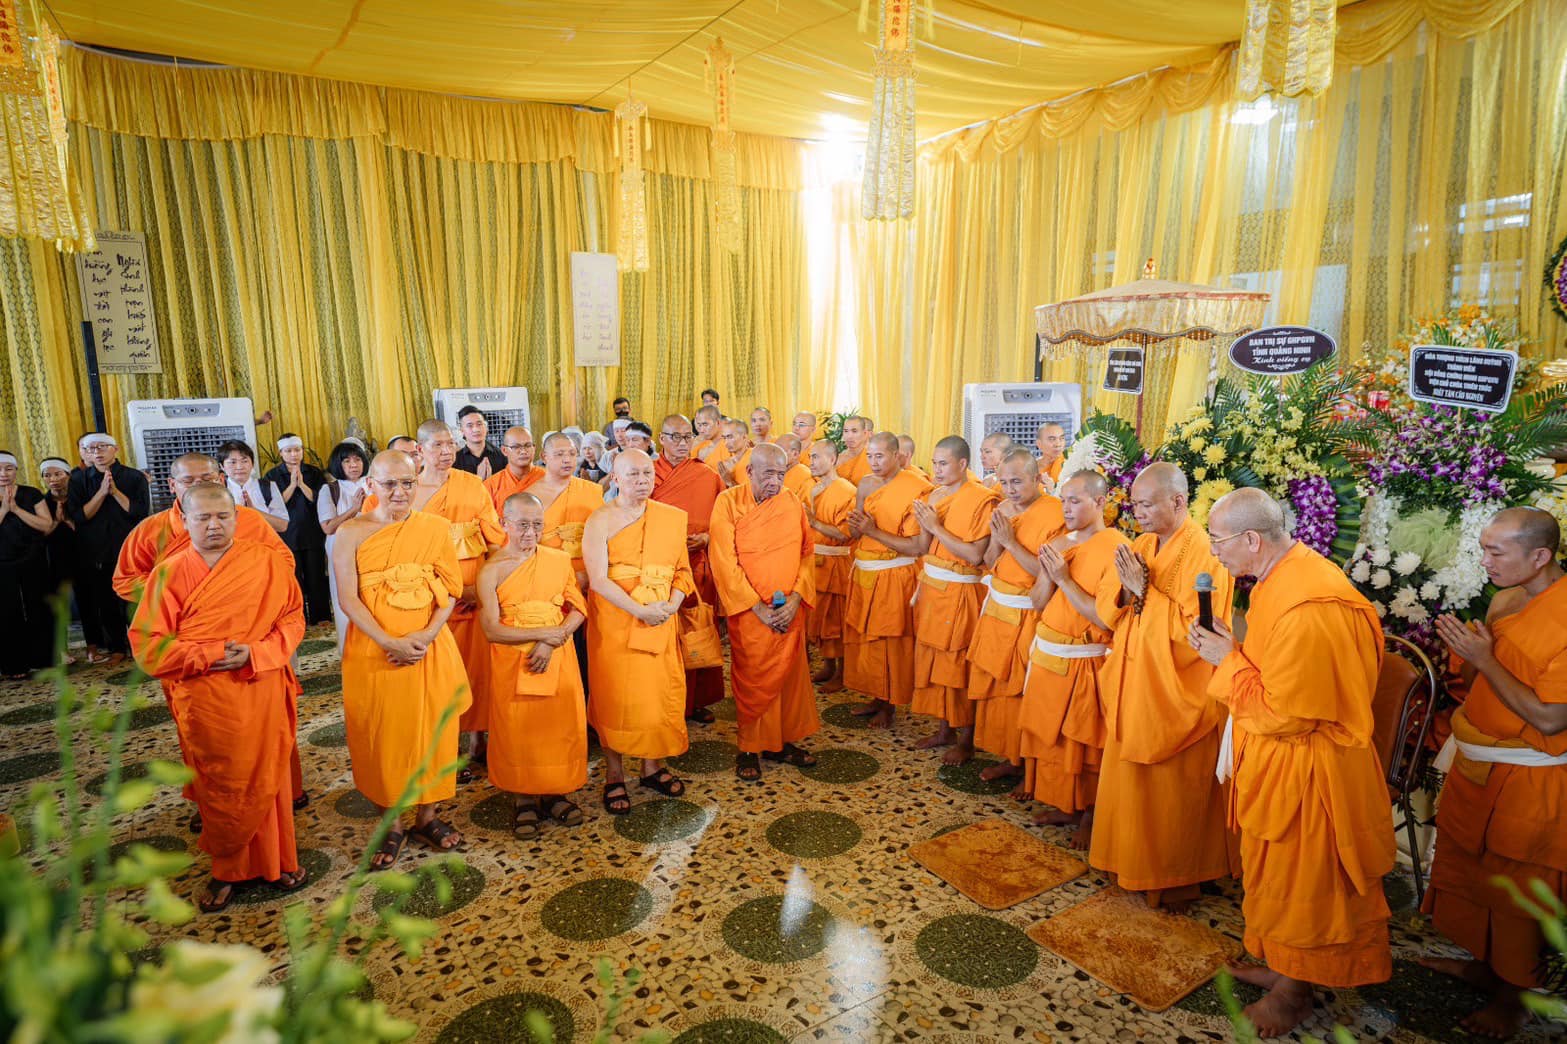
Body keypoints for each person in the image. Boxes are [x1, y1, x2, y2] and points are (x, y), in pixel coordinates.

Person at [1191, 487, 1393, 1039]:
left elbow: (1288, 712)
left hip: (1311, 770)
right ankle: (1284, 966)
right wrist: (1231, 651)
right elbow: (1271, 669)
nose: (1215, 553)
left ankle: (1295, 994)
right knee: (1274, 875)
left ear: (1251, 539)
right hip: (1280, 759)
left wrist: (1225, 660)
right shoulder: (1280, 579)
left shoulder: (1311, 606)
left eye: (1218, 540)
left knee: (1304, 885)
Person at [1424, 507, 1567, 1038]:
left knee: (1517, 894)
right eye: (1482, 548)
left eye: (1495, 552)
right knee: (1472, 872)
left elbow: (1551, 716)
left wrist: (1484, 660)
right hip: (1481, 762)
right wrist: (1468, 655)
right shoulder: (1508, 598)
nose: (1484, 561)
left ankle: (1516, 998)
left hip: (1530, 777)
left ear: (1539, 556)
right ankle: (1486, 968)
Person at [129, 484, 307, 912]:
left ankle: (278, 860)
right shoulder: (168, 573)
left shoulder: (265, 561)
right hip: (205, 697)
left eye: (223, 517)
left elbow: (293, 618)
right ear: (184, 520)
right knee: (220, 783)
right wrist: (210, 655)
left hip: (260, 684)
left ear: (237, 517)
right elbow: (148, 647)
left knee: (269, 776)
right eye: (203, 518)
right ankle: (227, 868)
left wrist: (257, 653)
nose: (214, 525)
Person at [1088, 462, 1237, 912]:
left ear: (1178, 501)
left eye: (1147, 504)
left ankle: (1176, 877)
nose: (1138, 514)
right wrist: (1130, 592)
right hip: (1137, 676)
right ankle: (1129, 861)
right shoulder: (1141, 543)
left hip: (1176, 688)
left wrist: (1145, 595)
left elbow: (1201, 632)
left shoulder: (1207, 555)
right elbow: (1109, 601)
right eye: (1134, 505)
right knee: (1130, 780)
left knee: (1171, 788)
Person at [333, 450, 469, 867]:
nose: (399, 491)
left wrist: (427, 634)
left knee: (434, 731)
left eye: (407, 483)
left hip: (429, 647)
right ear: (370, 485)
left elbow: (451, 589)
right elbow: (348, 599)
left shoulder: (435, 528)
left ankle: (428, 817)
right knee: (384, 734)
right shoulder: (351, 533)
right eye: (389, 483)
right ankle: (390, 823)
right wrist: (387, 641)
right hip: (376, 651)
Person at [582, 449, 695, 813]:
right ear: (615, 478)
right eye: (632, 475)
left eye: (647, 474)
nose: (642, 481)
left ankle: (652, 766)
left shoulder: (672, 518)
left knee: (658, 695)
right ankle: (614, 775)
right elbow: (598, 580)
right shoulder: (599, 520)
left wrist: (671, 605)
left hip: (661, 617)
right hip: (617, 621)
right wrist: (639, 611)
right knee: (616, 696)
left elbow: (682, 572)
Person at [1019, 471, 1128, 847]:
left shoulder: (1116, 547)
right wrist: (1050, 576)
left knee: (1084, 745)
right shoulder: (1059, 541)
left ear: (1100, 503)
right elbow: (1036, 600)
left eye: (1076, 501)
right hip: (1049, 652)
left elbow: (1104, 617)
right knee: (1053, 739)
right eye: (1063, 500)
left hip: (1084, 659)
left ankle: (1090, 816)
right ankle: (1066, 805)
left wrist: (1064, 578)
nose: (1066, 508)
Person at [478, 492, 589, 838]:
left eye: (537, 525)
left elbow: (579, 608)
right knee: (519, 729)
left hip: (556, 655)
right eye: (522, 524)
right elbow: (492, 630)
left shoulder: (557, 560)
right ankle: (524, 798)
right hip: (514, 660)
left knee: (558, 727)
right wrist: (546, 633)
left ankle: (555, 791)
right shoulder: (491, 570)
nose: (530, 533)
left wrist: (550, 640)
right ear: (504, 523)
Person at [710, 443, 820, 780]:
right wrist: (756, 607)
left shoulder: (792, 504)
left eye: (781, 473)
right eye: (768, 473)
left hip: (789, 611)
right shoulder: (728, 503)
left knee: (789, 678)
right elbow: (724, 562)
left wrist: (798, 598)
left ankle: (783, 742)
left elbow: (806, 553)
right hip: (750, 613)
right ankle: (750, 747)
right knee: (754, 677)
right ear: (750, 472)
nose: (776, 480)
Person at [408, 420, 505, 781]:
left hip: (473, 591)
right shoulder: (410, 491)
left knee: (477, 671)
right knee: (439, 677)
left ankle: (478, 742)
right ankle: (447, 749)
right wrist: (445, 592)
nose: (446, 451)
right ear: (420, 451)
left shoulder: (471, 485)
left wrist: (486, 586)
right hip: (431, 598)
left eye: (451, 444)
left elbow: (492, 538)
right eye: (437, 446)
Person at [967, 450, 1065, 792]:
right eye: (1004, 481)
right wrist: (999, 537)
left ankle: (1030, 768)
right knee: (996, 689)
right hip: (997, 608)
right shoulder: (1003, 508)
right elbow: (989, 560)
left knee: (1023, 692)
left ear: (1037, 479)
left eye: (1017, 481)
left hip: (1028, 611)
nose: (1009, 489)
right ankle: (1010, 758)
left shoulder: (1055, 513)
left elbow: (1049, 573)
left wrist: (1011, 540)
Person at [909, 436, 999, 765]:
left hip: (962, 591)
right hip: (933, 588)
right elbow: (923, 546)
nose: (937, 469)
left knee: (959, 665)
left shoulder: (981, 500)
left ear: (962, 464)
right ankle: (944, 728)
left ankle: (966, 740)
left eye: (943, 463)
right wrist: (925, 525)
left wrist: (936, 526)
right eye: (934, 463)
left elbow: (976, 555)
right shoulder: (933, 495)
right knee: (935, 660)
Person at [114, 452, 293, 607]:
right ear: (172, 485)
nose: (199, 485)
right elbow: (126, 581)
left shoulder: (249, 519)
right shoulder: (150, 530)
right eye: (188, 480)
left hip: (245, 613)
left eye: (208, 479)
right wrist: (180, 588)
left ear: (221, 480)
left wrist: (242, 582)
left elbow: (283, 562)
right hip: (183, 623)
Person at [843, 432, 933, 729]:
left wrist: (871, 530)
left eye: (880, 456)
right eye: (870, 456)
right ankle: (875, 696)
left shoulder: (917, 489)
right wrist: (856, 526)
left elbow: (917, 547)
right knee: (868, 639)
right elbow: (856, 531)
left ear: (898, 456)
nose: (874, 462)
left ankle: (891, 705)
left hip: (895, 575)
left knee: (892, 642)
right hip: (866, 573)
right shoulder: (866, 484)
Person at [650, 415, 728, 723]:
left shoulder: (706, 475)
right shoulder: (648, 474)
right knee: (664, 636)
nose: (682, 444)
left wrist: (708, 537)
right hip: (659, 568)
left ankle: (695, 701)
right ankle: (664, 699)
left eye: (687, 437)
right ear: (661, 439)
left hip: (698, 567)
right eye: (675, 437)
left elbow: (724, 518)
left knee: (698, 631)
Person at [67, 433, 150, 664]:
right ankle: (117, 647)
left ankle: (141, 646)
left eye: (102, 447)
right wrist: (102, 493)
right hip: (95, 550)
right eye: (91, 449)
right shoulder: (78, 481)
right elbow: (79, 516)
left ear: (116, 449)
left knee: (135, 600)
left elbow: (139, 512)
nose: (97, 452)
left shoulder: (134, 477)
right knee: (107, 600)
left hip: (130, 548)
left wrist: (115, 492)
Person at [262, 435, 332, 625]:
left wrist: (302, 484)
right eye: (288, 451)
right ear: (281, 453)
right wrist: (293, 485)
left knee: (316, 575)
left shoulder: (314, 473)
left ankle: (322, 616)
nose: (294, 455)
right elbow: (274, 506)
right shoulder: (272, 476)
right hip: (287, 534)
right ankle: (298, 617)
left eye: (297, 450)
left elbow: (319, 500)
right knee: (294, 579)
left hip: (312, 531)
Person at [805, 440, 856, 693]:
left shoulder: (846, 490)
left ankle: (843, 673)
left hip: (837, 561)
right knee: (820, 618)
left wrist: (813, 522)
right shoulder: (814, 490)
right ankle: (828, 665)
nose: (811, 462)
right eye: (810, 457)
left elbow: (845, 533)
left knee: (837, 620)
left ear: (832, 459)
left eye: (816, 457)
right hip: (816, 561)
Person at [0, 451, 56, 677]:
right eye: (0, 469)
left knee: (38, 606)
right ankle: (14, 665)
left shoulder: (31, 494)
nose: (3, 474)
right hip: (2, 562)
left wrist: (16, 509)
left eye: (8, 468)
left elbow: (46, 524)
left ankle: (44, 659)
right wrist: (4, 509)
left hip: (33, 558)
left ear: (16, 470)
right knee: (7, 612)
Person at [319, 442, 372, 655]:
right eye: (347, 461)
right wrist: (354, 509)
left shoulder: (373, 484)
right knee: (346, 599)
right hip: (341, 549)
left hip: (370, 547)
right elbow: (328, 526)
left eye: (357, 460)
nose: (353, 465)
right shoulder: (330, 489)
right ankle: (349, 651)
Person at [218, 440, 289, 534]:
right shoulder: (217, 490)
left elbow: (282, 526)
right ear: (222, 466)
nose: (239, 467)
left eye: (244, 461)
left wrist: (254, 512)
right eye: (233, 462)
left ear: (252, 464)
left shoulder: (267, 487)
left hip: (263, 545)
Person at [40, 458, 76, 635]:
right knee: (58, 604)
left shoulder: (80, 496)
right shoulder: (41, 503)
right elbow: (40, 534)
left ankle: (95, 645)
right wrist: (56, 521)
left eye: (57, 474)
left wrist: (70, 521)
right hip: (54, 558)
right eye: (47, 475)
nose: (53, 479)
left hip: (83, 554)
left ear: (68, 475)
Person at [483, 427, 543, 511]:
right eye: (516, 447)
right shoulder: (491, 485)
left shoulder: (548, 479)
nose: (523, 451)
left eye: (528, 445)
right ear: (504, 450)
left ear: (534, 448)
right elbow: (486, 520)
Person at [453, 405, 506, 479]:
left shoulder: (502, 456)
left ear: (486, 427)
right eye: (469, 425)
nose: (476, 429)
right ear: (462, 431)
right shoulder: (455, 460)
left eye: (479, 424)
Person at [713, 419, 753, 489]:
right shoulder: (725, 466)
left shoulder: (755, 459)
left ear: (744, 437)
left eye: (730, 437)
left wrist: (730, 482)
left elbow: (754, 495)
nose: (726, 443)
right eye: (724, 438)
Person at [774, 434, 815, 501]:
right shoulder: (775, 474)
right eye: (774, 450)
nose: (775, 455)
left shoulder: (805, 478)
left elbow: (806, 509)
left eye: (780, 451)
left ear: (795, 454)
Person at [836, 416, 874, 485]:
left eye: (854, 431)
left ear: (865, 433)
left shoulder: (872, 458)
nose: (849, 436)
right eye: (846, 431)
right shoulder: (838, 458)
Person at [1035, 423, 1067, 491]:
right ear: (1039, 444)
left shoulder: (1071, 465)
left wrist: (1052, 491)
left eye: (1062, 438)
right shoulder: (1031, 468)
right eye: (1052, 439)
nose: (1058, 444)